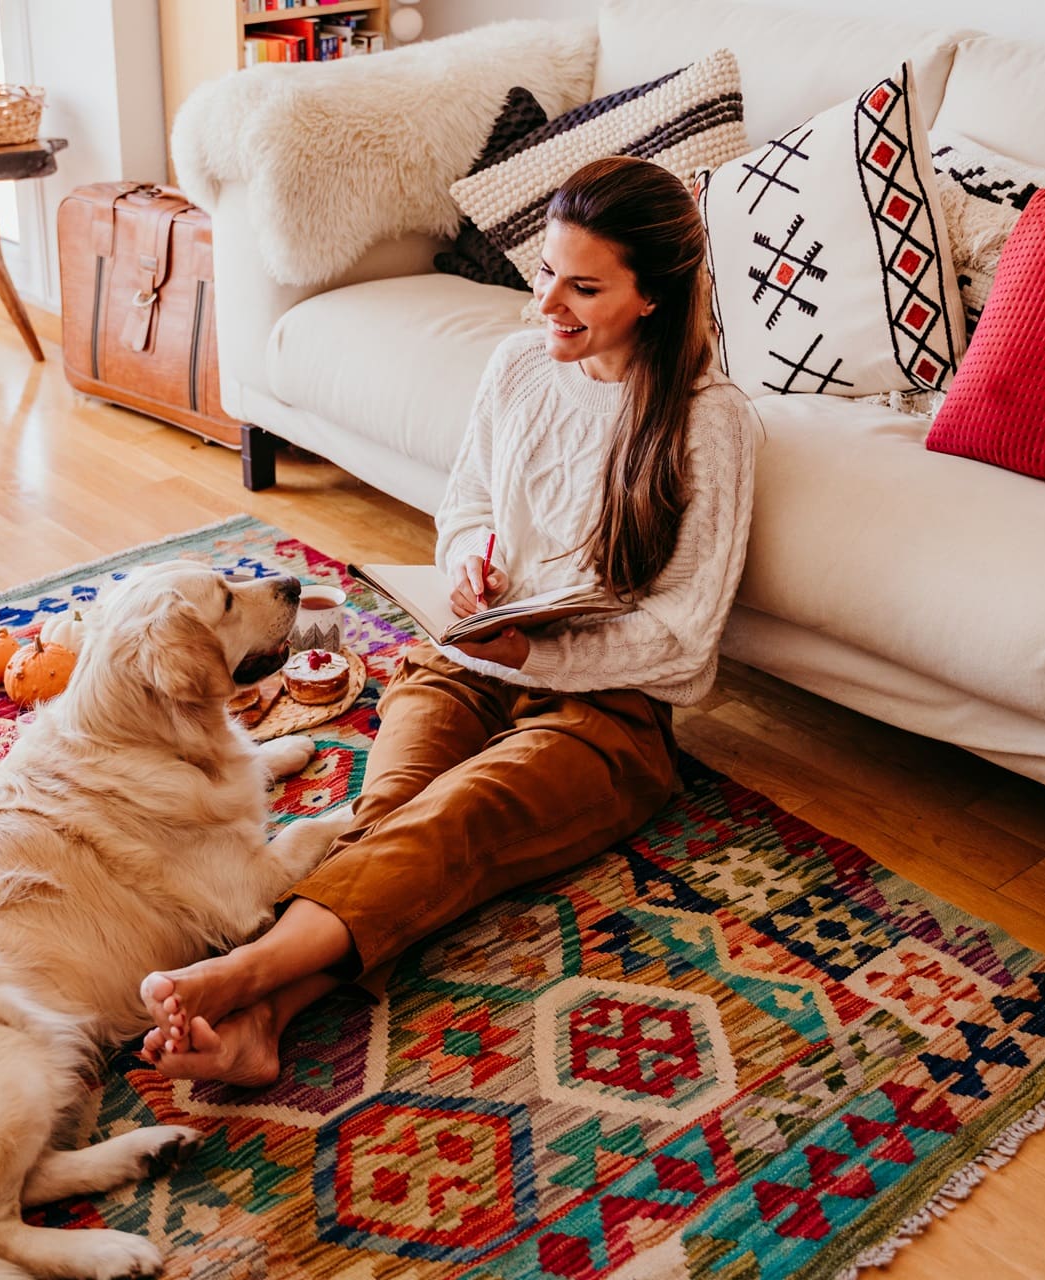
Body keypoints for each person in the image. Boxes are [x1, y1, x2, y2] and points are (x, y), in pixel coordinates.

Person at [139, 155, 760, 1085]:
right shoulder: (516, 367)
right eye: (546, 271)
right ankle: (268, 1022)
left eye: (584, 286)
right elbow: (467, 504)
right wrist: (470, 565)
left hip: (613, 713)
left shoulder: (710, 423)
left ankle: (247, 976)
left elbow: (685, 635)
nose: (546, 303)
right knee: (391, 813)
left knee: (457, 815)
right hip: (473, 661)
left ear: (653, 298)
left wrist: (540, 651)